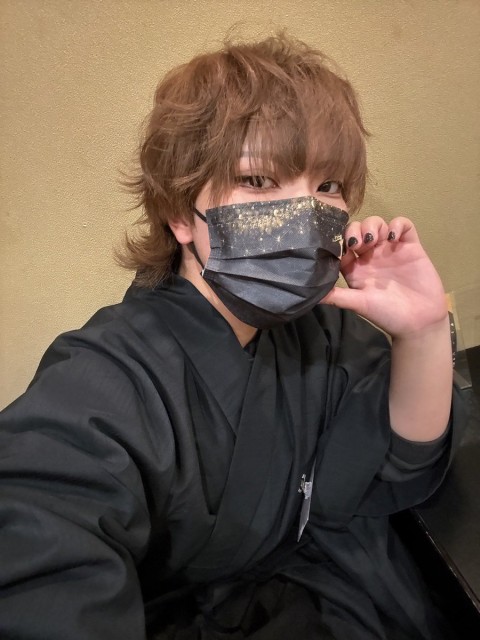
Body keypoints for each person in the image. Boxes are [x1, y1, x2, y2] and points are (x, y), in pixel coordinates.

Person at [0, 34, 467, 640]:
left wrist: (422, 332)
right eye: (259, 179)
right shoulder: (109, 376)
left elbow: (402, 463)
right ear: (180, 214)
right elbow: (41, 530)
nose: (305, 214)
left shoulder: (323, 330)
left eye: (327, 186)